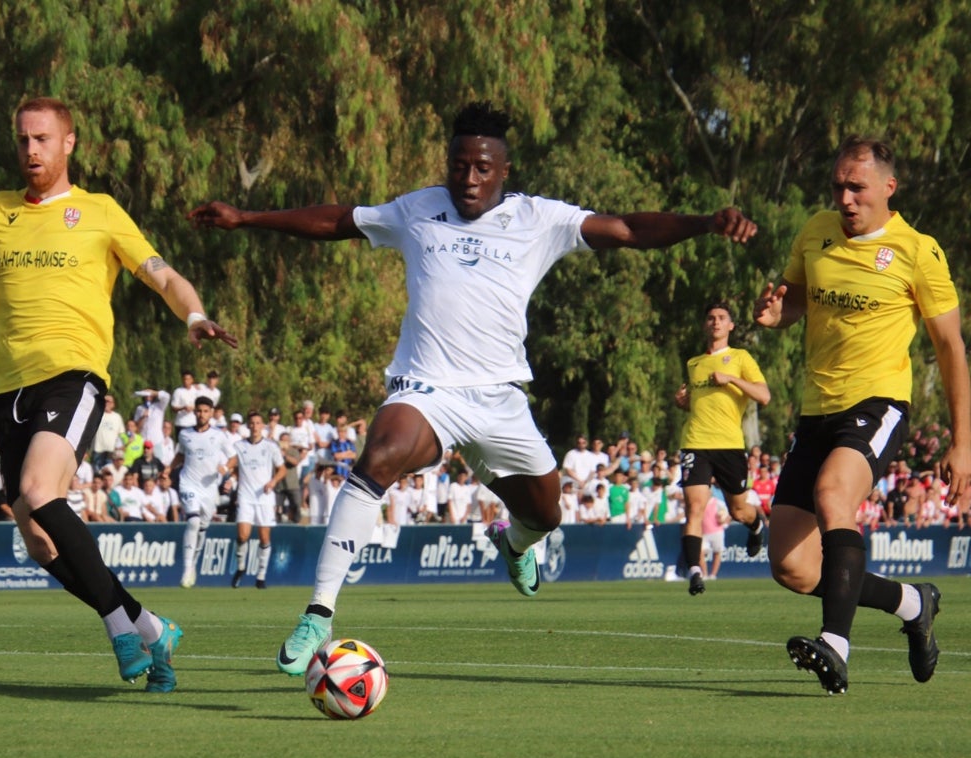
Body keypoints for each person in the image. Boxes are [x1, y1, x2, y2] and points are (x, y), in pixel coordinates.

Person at [191, 100, 758, 673]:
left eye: (482, 168)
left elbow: (630, 229)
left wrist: (705, 223)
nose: (468, 178)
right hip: (427, 388)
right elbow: (341, 222)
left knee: (547, 515)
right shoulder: (417, 210)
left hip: (501, 398)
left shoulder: (540, 220)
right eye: (459, 165)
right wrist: (247, 217)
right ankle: (319, 610)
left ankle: (514, 544)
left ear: (503, 170)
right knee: (380, 454)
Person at [0, 96, 235, 691]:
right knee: (37, 541)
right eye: (23, 140)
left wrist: (193, 317)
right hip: (7, 395)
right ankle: (151, 627)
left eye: (42, 138)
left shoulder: (101, 212)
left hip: (74, 376)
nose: (30, 150)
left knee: (37, 491)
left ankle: (117, 624)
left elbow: (162, 274)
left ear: (69, 143)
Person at [754, 136, 970, 694]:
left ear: (888, 189)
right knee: (794, 566)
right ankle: (912, 602)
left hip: (878, 403)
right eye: (838, 186)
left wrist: (962, 442)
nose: (846, 197)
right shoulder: (815, 231)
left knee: (834, 494)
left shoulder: (918, 251)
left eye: (858, 187)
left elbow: (951, 348)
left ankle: (836, 644)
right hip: (815, 411)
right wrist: (778, 314)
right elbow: (797, 299)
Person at [673, 301, 770, 596]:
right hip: (695, 443)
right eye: (711, 318)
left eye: (721, 318)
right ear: (706, 324)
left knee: (739, 511)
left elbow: (764, 396)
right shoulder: (693, 363)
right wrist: (683, 402)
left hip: (729, 445)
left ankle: (756, 526)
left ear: (731, 326)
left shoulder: (740, 357)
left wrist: (732, 379)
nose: (715, 322)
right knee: (694, 508)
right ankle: (694, 572)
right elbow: (699, 402)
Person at [170, 395, 234, 588]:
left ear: (211, 413)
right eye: (199, 410)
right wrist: (168, 469)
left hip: (209, 490)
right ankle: (187, 568)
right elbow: (180, 455)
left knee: (202, 527)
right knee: (193, 520)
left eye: (206, 411)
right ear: (194, 411)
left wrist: (226, 468)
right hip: (188, 483)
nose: (202, 414)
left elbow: (233, 457)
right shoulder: (185, 434)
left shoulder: (219, 435)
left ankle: (193, 564)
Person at [227, 411, 287, 589]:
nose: (254, 426)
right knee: (242, 535)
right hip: (245, 496)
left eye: (258, 423)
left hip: (265, 498)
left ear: (262, 426)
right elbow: (230, 464)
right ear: (248, 426)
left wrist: (273, 481)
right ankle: (240, 568)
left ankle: (261, 576)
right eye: (251, 423)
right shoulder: (239, 445)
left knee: (264, 537)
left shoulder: (270, 446)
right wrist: (229, 477)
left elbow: (282, 469)